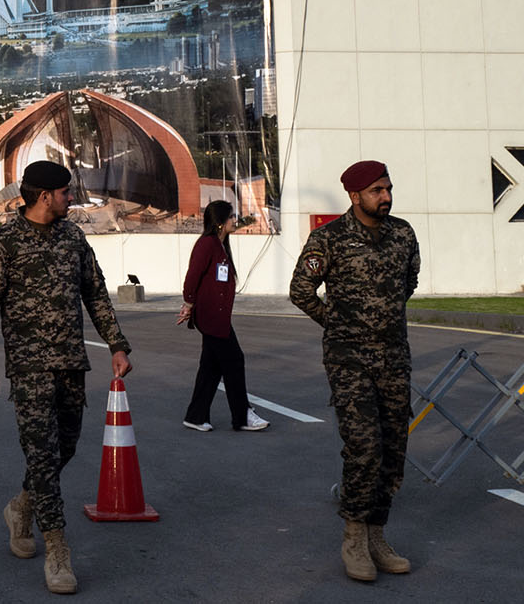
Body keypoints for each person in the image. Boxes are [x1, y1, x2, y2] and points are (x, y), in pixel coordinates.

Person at [0, 159, 133, 596]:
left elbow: (96, 294)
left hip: (71, 365)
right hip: (28, 370)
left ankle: (21, 506)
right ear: (45, 196)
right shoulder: (2, 242)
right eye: (65, 192)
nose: (71, 198)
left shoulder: (72, 238)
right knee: (42, 456)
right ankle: (58, 549)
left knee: (64, 448)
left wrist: (117, 343)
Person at [288, 160, 422, 583]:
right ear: (355, 195)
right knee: (364, 449)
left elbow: (409, 281)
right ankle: (353, 537)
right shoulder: (328, 239)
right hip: (349, 361)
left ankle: (377, 536)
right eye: (377, 190)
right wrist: (338, 323)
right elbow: (300, 290)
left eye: (388, 189)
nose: (386, 197)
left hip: (394, 358)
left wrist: (384, 318)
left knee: (393, 452)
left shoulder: (402, 234)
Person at [176, 199, 268, 432]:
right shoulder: (206, 244)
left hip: (218, 316)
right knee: (234, 361)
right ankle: (243, 415)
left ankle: (196, 415)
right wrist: (188, 303)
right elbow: (192, 276)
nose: (234, 220)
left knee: (211, 367)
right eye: (231, 217)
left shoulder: (220, 245)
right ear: (219, 222)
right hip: (211, 317)